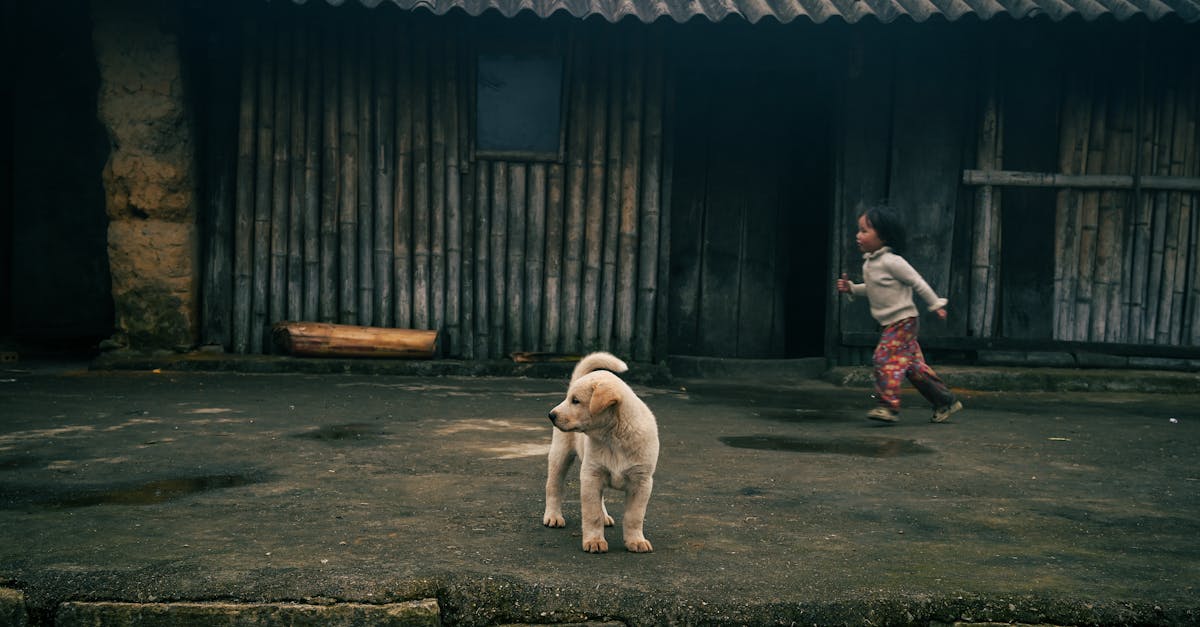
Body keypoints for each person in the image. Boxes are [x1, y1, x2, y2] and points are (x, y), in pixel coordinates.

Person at [835, 205, 963, 423]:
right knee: (913, 368)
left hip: (903, 321)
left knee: (883, 357)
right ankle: (946, 401)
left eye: (864, 230)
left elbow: (917, 282)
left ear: (884, 236)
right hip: (892, 323)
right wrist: (853, 289)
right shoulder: (871, 263)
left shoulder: (893, 262)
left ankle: (888, 406)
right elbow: (873, 287)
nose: (858, 235)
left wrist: (935, 304)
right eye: (859, 230)